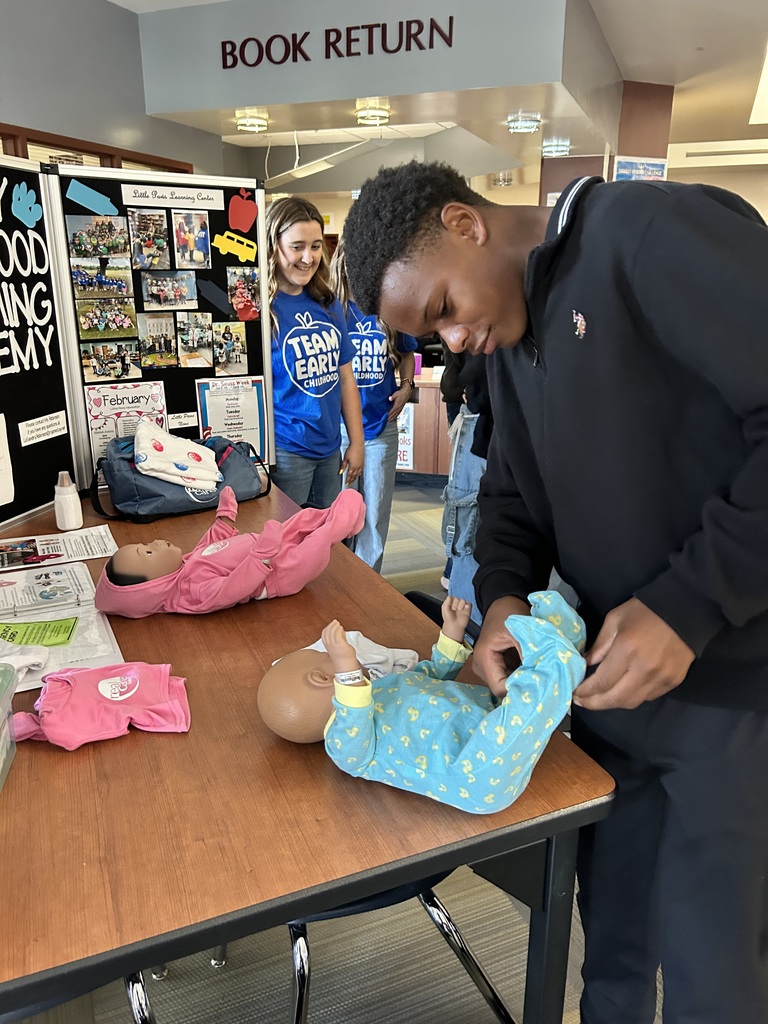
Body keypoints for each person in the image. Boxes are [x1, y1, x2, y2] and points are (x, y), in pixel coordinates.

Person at [342, 161, 768, 1024]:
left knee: (711, 974)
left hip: (730, 695)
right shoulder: (510, 338)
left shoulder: (646, 235)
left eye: (443, 312)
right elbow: (510, 497)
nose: (451, 343)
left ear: (466, 224)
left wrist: (693, 603)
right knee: (609, 953)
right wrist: (502, 600)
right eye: (431, 337)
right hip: (607, 695)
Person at [257, 591, 585, 814]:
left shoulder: (382, 686)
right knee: (525, 705)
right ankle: (557, 667)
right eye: (328, 659)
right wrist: (346, 666)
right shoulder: (343, 745)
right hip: (471, 773)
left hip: (485, 716)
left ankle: (559, 648)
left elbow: (430, 675)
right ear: (322, 678)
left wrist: (451, 634)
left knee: (514, 703)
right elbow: (353, 712)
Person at [94, 485, 365, 618]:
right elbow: (232, 589)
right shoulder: (192, 592)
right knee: (317, 541)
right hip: (278, 574)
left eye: (144, 545)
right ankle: (340, 523)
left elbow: (209, 549)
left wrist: (224, 518)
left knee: (302, 520)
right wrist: (263, 556)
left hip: (267, 547)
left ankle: (338, 516)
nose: (154, 543)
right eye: (148, 554)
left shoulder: (183, 567)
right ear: (154, 586)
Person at [266, 196, 364, 508]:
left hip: (330, 448)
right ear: (274, 245)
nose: (308, 258)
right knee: (284, 548)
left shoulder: (329, 303)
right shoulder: (259, 310)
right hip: (286, 451)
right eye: (297, 246)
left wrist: (357, 442)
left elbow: (345, 378)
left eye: (316, 246)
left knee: (326, 544)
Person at [328, 237, 417, 572]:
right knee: (339, 517)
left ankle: (368, 588)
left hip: (381, 428)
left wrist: (407, 388)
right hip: (339, 431)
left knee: (375, 519)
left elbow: (407, 353)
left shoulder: (388, 305)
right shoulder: (331, 309)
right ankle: (337, 584)